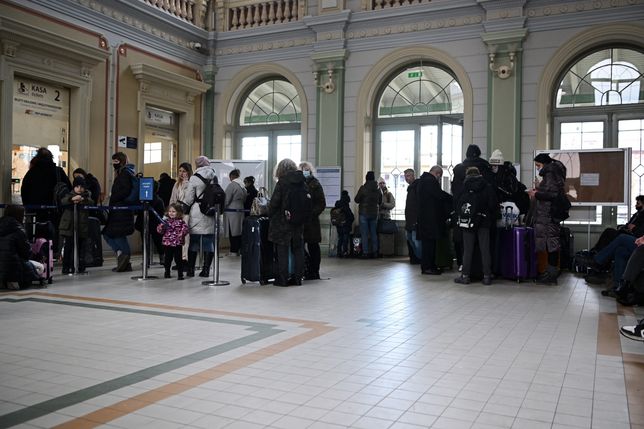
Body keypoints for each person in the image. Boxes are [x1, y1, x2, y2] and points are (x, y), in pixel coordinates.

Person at [527, 152, 567, 285]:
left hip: (548, 215)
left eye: (538, 165)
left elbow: (552, 194)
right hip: (550, 214)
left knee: (551, 244)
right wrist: (539, 188)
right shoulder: (553, 173)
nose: (538, 168)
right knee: (551, 243)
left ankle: (551, 275)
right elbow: (550, 191)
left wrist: (536, 194)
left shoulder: (550, 174)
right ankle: (550, 273)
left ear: (544, 164)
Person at [453, 167, 497, 285]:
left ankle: (465, 276)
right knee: (485, 249)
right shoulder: (487, 186)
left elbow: (457, 204)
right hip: (484, 221)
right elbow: (493, 204)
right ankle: (487, 276)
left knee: (467, 250)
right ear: (479, 174)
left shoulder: (464, 187)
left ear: (467, 175)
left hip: (468, 222)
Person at [268, 158, 306, 286]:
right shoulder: (302, 181)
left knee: (282, 250)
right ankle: (298, 278)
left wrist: (269, 213)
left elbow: (274, 203)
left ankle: (282, 279)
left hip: (282, 222)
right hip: (298, 221)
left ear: (280, 169)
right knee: (298, 250)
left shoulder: (282, 183)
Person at [182, 156, 218, 277]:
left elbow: (189, 198)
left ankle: (191, 270)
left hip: (197, 210)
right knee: (208, 241)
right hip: (210, 211)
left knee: (194, 242)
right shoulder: (214, 175)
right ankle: (206, 270)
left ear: (197, 165)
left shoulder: (194, 178)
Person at [102, 152, 136, 272]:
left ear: (121, 161)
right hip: (120, 210)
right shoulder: (125, 173)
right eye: (113, 162)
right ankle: (123, 258)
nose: (114, 164)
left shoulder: (124, 174)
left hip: (121, 210)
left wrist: (114, 198)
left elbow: (125, 190)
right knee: (112, 234)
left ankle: (124, 258)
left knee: (115, 235)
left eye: (116, 161)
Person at [417, 166, 452, 275]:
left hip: (424, 218)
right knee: (429, 245)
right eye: (439, 176)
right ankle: (428, 267)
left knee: (427, 244)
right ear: (437, 174)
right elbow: (439, 194)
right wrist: (452, 199)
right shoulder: (430, 181)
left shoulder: (422, 181)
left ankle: (428, 266)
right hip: (430, 219)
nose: (439, 179)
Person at [0, 205, 43, 290]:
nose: (24, 218)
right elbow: (26, 253)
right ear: (18, 215)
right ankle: (14, 282)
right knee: (41, 267)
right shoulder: (19, 230)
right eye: (23, 215)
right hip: (12, 270)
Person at [58, 176, 94, 275]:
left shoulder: (87, 196)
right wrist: (71, 199)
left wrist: (82, 199)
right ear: (73, 187)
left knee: (81, 248)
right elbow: (63, 201)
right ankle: (66, 267)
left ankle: (80, 266)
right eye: (77, 186)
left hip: (81, 227)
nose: (79, 189)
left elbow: (91, 203)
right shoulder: (68, 195)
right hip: (69, 227)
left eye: (82, 187)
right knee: (68, 247)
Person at [300, 162, 326, 280]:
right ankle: (305, 269)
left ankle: (314, 271)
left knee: (313, 246)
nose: (304, 172)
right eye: (302, 170)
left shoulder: (315, 184)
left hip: (311, 222)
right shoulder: (298, 184)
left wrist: (311, 213)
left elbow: (321, 203)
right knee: (300, 246)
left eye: (306, 170)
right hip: (300, 221)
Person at [135, 180, 165, 265]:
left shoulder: (143, 200)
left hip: (144, 223)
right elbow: (161, 213)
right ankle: (162, 257)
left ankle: (146, 260)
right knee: (158, 242)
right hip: (155, 224)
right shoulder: (159, 200)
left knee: (145, 242)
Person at [157, 203, 189, 280]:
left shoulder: (181, 222)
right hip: (167, 243)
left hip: (177, 243)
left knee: (178, 259)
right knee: (168, 259)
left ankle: (180, 274)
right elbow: (160, 231)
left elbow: (185, 229)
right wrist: (161, 227)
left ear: (179, 213)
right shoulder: (165, 222)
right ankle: (167, 272)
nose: (171, 213)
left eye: (173, 211)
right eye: (170, 211)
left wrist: (182, 233)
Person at [169, 162, 193, 264]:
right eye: (180, 171)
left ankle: (185, 259)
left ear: (188, 172)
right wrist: (171, 212)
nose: (181, 173)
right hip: (177, 213)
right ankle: (178, 260)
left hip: (186, 213)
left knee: (185, 237)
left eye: (184, 171)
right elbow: (173, 198)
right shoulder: (176, 184)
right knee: (176, 236)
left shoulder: (191, 183)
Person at [354, 171, 381, 258]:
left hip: (364, 213)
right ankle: (375, 252)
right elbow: (380, 202)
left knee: (364, 234)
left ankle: (365, 252)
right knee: (373, 233)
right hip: (374, 213)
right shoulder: (378, 189)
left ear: (366, 178)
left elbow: (356, 200)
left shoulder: (363, 188)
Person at [223, 169, 247, 256]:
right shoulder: (242, 186)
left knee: (232, 231)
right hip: (240, 210)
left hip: (231, 211)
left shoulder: (232, 185)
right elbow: (245, 199)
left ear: (231, 176)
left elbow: (226, 199)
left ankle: (233, 250)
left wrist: (222, 207)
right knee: (239, 231)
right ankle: (238, 249)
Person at [404, 168, 421, 264]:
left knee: (416, 241)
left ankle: (421, 258)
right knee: (410, 240)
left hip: (414, 220)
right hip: (409, 220)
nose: (406, 178)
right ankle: (417, 257)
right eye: (405, 176)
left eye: (408, 176)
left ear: (413, 175)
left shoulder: (416, 187)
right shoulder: (410, 188)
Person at [333, 190, 355, 258]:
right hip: (345, 225)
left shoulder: (337, 204)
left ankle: (338, 252)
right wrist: (350, 221)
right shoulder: (345, 206)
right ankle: (344, 252)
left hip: (338, 224)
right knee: (345, 238)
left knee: (340, 238)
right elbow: (351, 216)